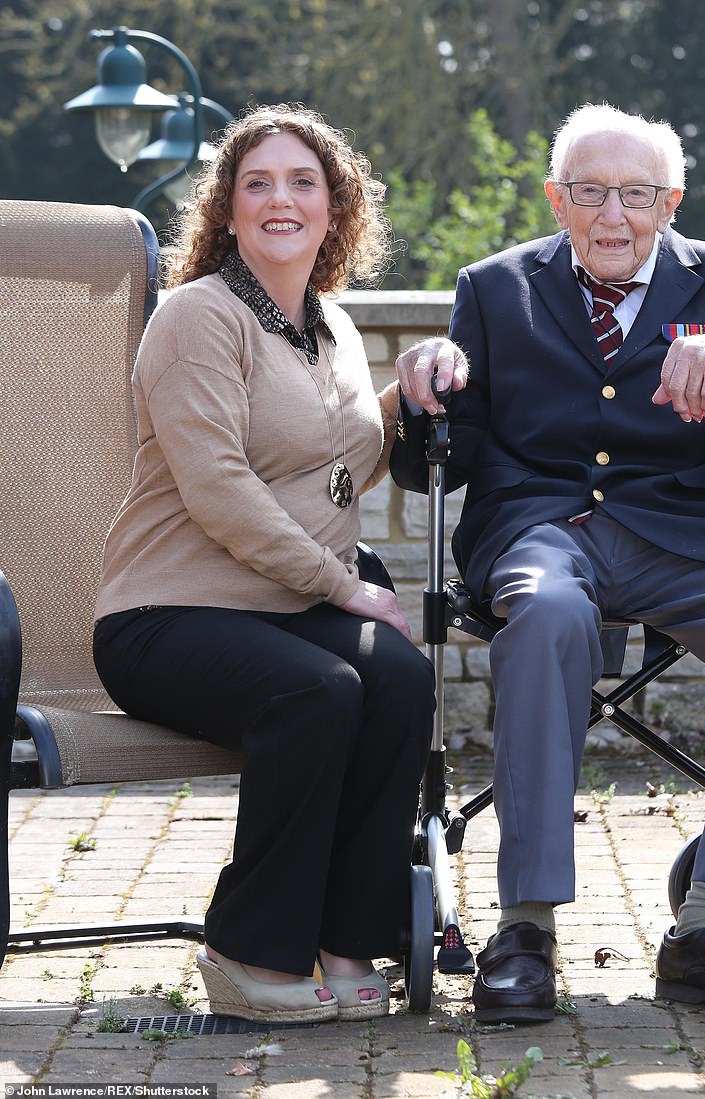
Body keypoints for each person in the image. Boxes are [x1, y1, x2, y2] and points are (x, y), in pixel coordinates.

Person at [391, 102, 705, 1023]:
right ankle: (523, 927)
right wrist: (426, 389)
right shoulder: (494, 289)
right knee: (550, 611)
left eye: (637, 195)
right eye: (591, 193)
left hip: (690, 536)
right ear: (556, 198)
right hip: (539, 532)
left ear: (671, 200)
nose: (614, 217)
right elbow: (436, 456)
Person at [92, 104, 434, 1024]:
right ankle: (248, 950)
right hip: (164, 615)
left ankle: (346, 939)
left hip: (280, 609)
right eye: (258, 183)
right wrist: (344, 584)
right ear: (229, 212)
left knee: (399, 678)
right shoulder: (198, 318)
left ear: (335, 209)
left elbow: (337, 459)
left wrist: (413, 386)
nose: (281, 199)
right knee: (316, 690)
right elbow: (223, 491)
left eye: (302, 182)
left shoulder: (335, 329)